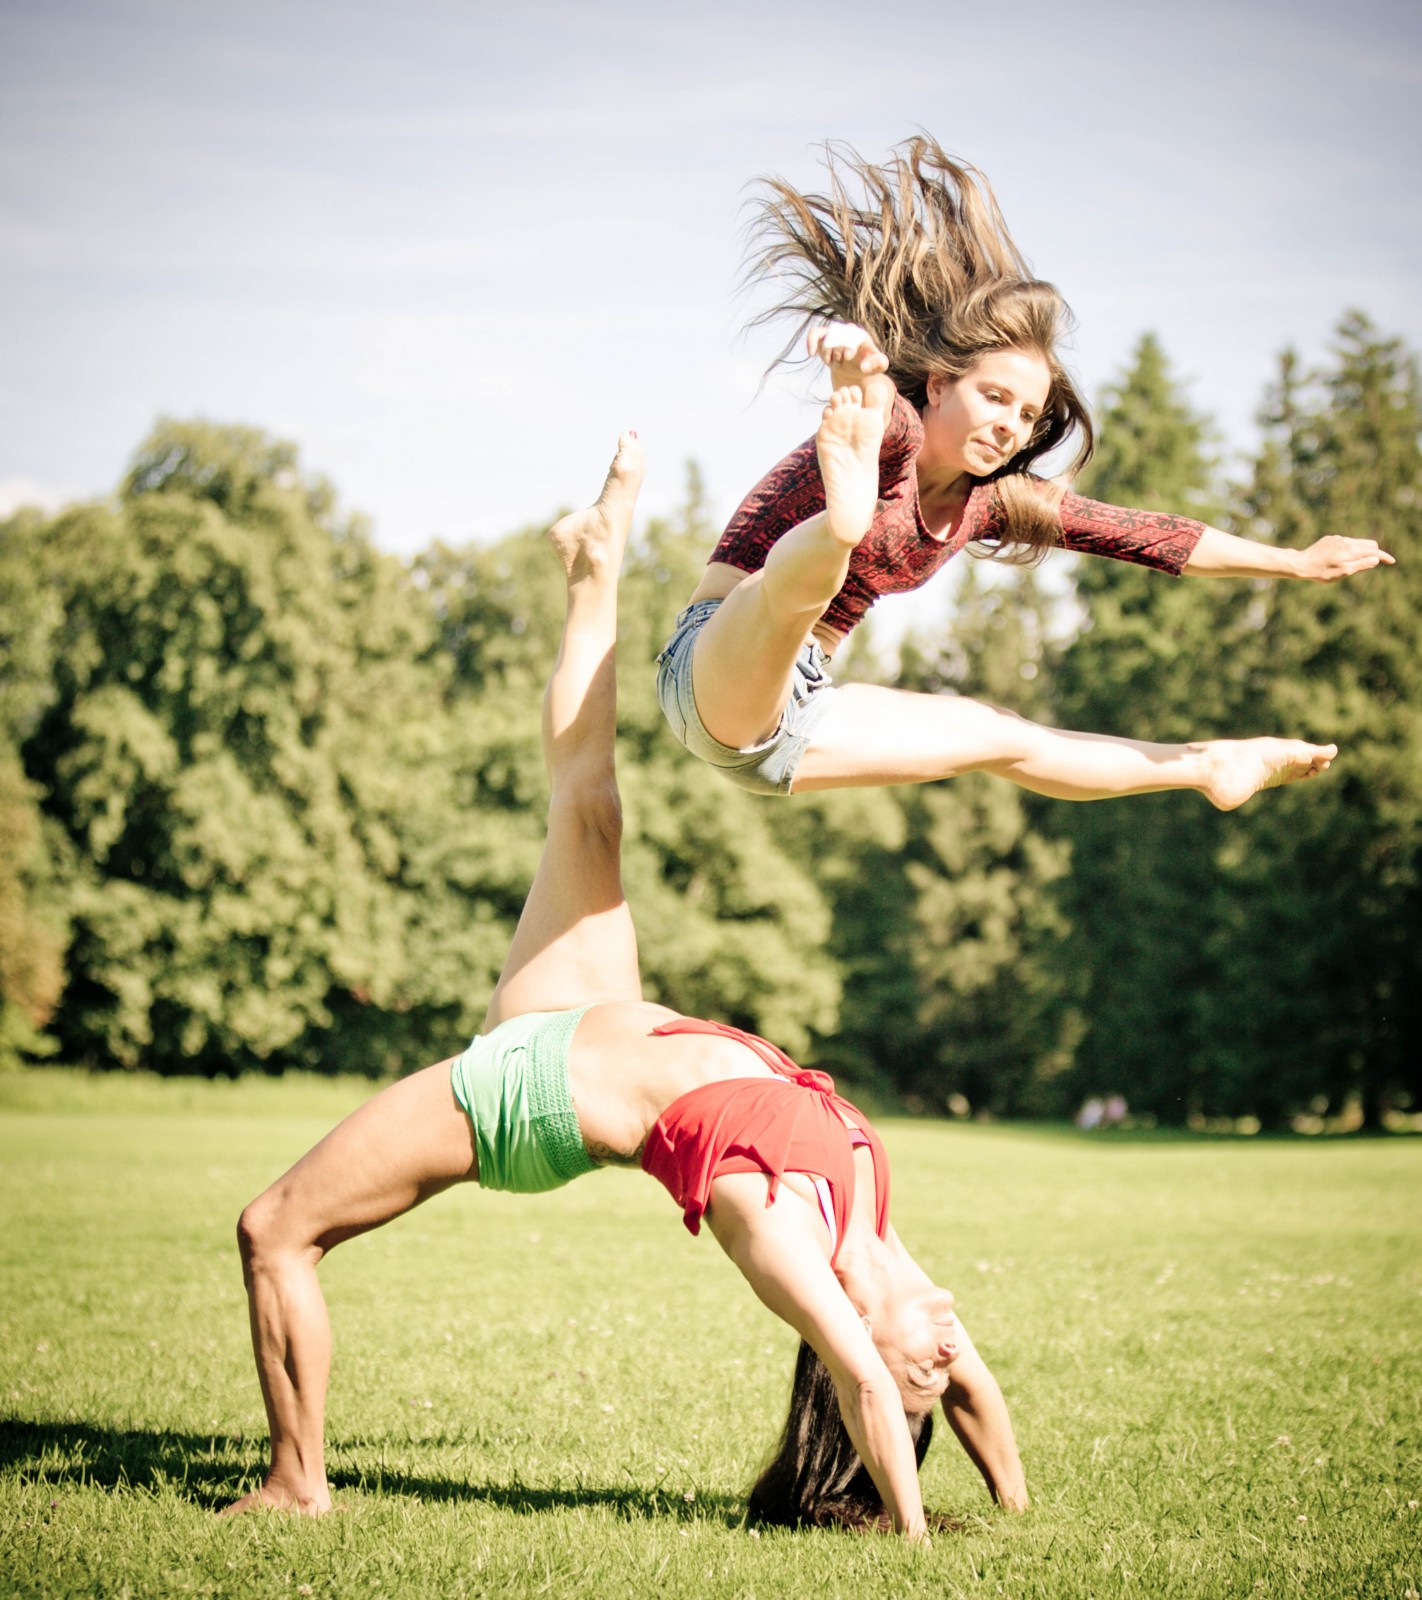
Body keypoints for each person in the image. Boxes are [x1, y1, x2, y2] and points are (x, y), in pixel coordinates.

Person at [221, 436, 1025, 1538]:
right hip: (596, 1013)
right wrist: (1012, 1496)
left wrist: (916, 1534)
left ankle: (296, 1483)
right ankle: (595, 566)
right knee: (589, 802)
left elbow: (876, 1387)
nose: (947, 1341)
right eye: (946, 1353)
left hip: (534, 1095)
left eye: (922, 1362)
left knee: (273, 1229)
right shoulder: (878, 1238)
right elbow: (962, 1384)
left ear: (861, 1355)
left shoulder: (796, 1250)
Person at [657, 136, 1393, 800]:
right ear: (941, 384)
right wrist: (861, 380)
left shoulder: (997, 500)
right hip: (714, 662)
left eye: (1025, 414)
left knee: (1005, 735)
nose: (1009, 424)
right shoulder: (896, 431)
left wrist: (1294, 563)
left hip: (787, 728)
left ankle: (1209, 768)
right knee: (802, 577)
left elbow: (1151, 536)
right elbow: (886, 409)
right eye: (994, 397)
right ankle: (840, 520)